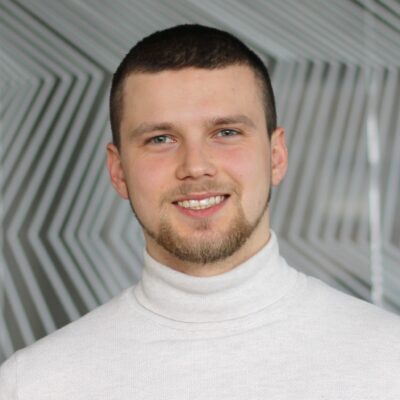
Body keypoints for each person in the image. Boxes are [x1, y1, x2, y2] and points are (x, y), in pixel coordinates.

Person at [1, 24, 399, 400]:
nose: (195, 166)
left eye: (226, 132)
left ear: (276, 156)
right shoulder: (33, 384)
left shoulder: (389, 361)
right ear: (118, 171)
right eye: (161, 139)